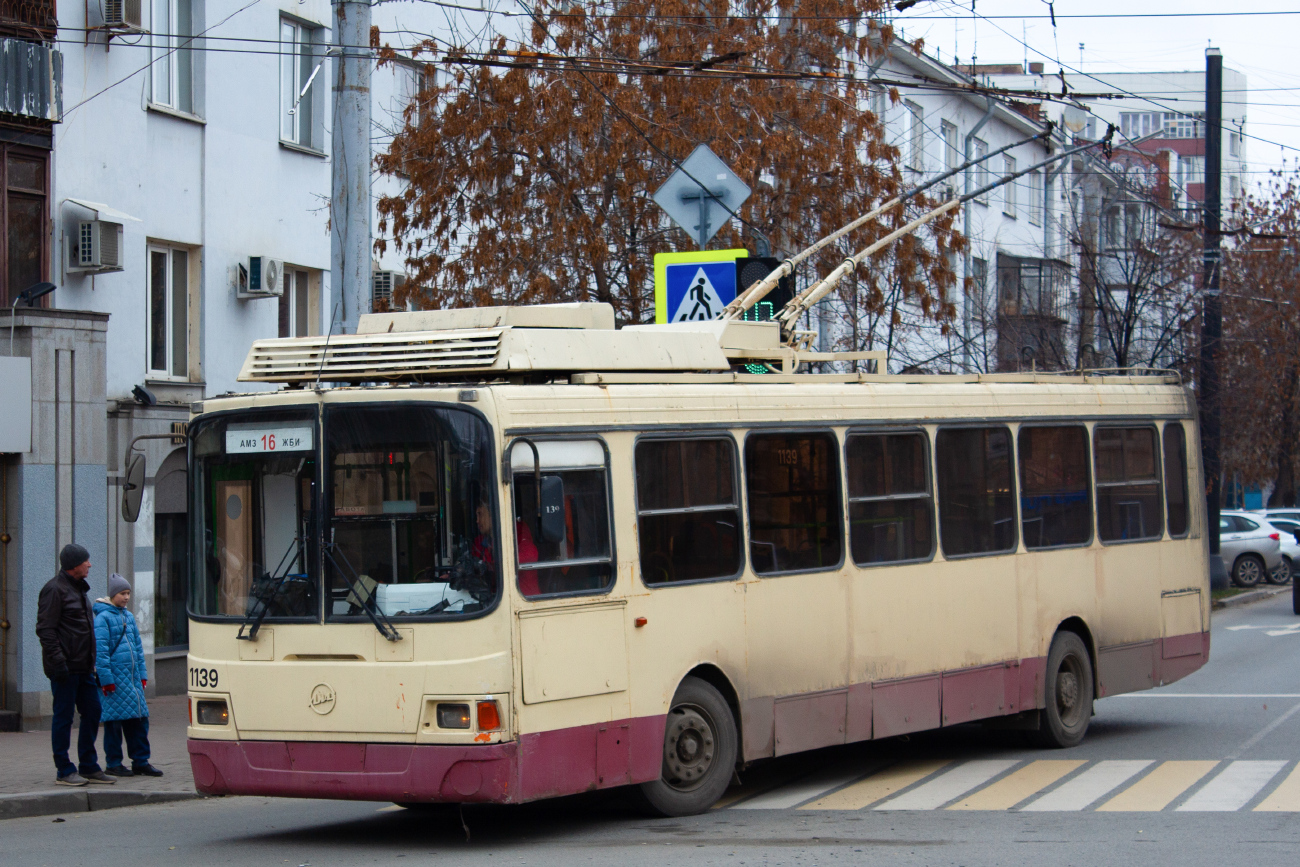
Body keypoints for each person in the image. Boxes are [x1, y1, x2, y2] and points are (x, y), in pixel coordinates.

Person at [35, 543, 115, 786]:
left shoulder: (78, 588)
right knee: (64, 717)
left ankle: (88, 766)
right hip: (65, 668)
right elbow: (46, 630)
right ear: (74, 565)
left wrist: (92, 664)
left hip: (84, 667)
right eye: (85, 561)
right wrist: (59, 662)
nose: (90, 564)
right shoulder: (54, 590)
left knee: (93, 712)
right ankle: (64, 769)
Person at [94, 574, 163, 777]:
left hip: (131, 681)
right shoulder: (103, 618)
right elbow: (101, 652)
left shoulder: (129, 616)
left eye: (128, 593)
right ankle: (114, 763)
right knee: (114, 724)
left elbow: (138, 649)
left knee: (139, 721)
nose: (126, 597)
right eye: (122, 593)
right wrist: (106, 680)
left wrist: (142, 674)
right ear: (112, 594)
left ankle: (140, 761)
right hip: (114, 681)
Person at [469, 501, 540, 595]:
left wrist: (492, 566)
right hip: (494, 596)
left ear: (493, 515)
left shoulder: (517, 531)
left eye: (480, 514)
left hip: (523, 596)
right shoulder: (481, 541)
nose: (477, 521)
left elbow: (531, 556)